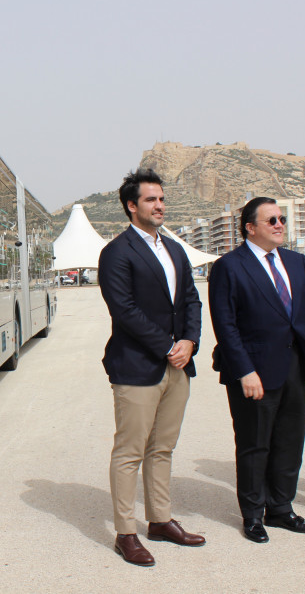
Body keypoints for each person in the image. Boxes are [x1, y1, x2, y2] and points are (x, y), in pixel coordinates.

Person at [208, 197, 305, 543]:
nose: (280, 225)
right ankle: (252, 515)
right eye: (271, 220)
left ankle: (281, 508)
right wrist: (245, 370)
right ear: (250, 227)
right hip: (253, 372)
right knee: (254, 443)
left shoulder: (296, 262)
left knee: (289, 441)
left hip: (295, 367)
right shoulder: (229, 267)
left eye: (282, 219)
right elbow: (226, 325)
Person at [98, 168, 204, 567]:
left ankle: (160, 520)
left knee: (163, 448)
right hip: (138, 367)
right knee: (130, 451)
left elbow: (191, 299)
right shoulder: (117, 252)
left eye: (161, 199)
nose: (159, 205)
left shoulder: (174, 248)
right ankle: (126, 533)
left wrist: (190, 343)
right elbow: (124, 310)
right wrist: (167, 347)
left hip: (178, 366)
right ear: (131, 206)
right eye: (150, 199)